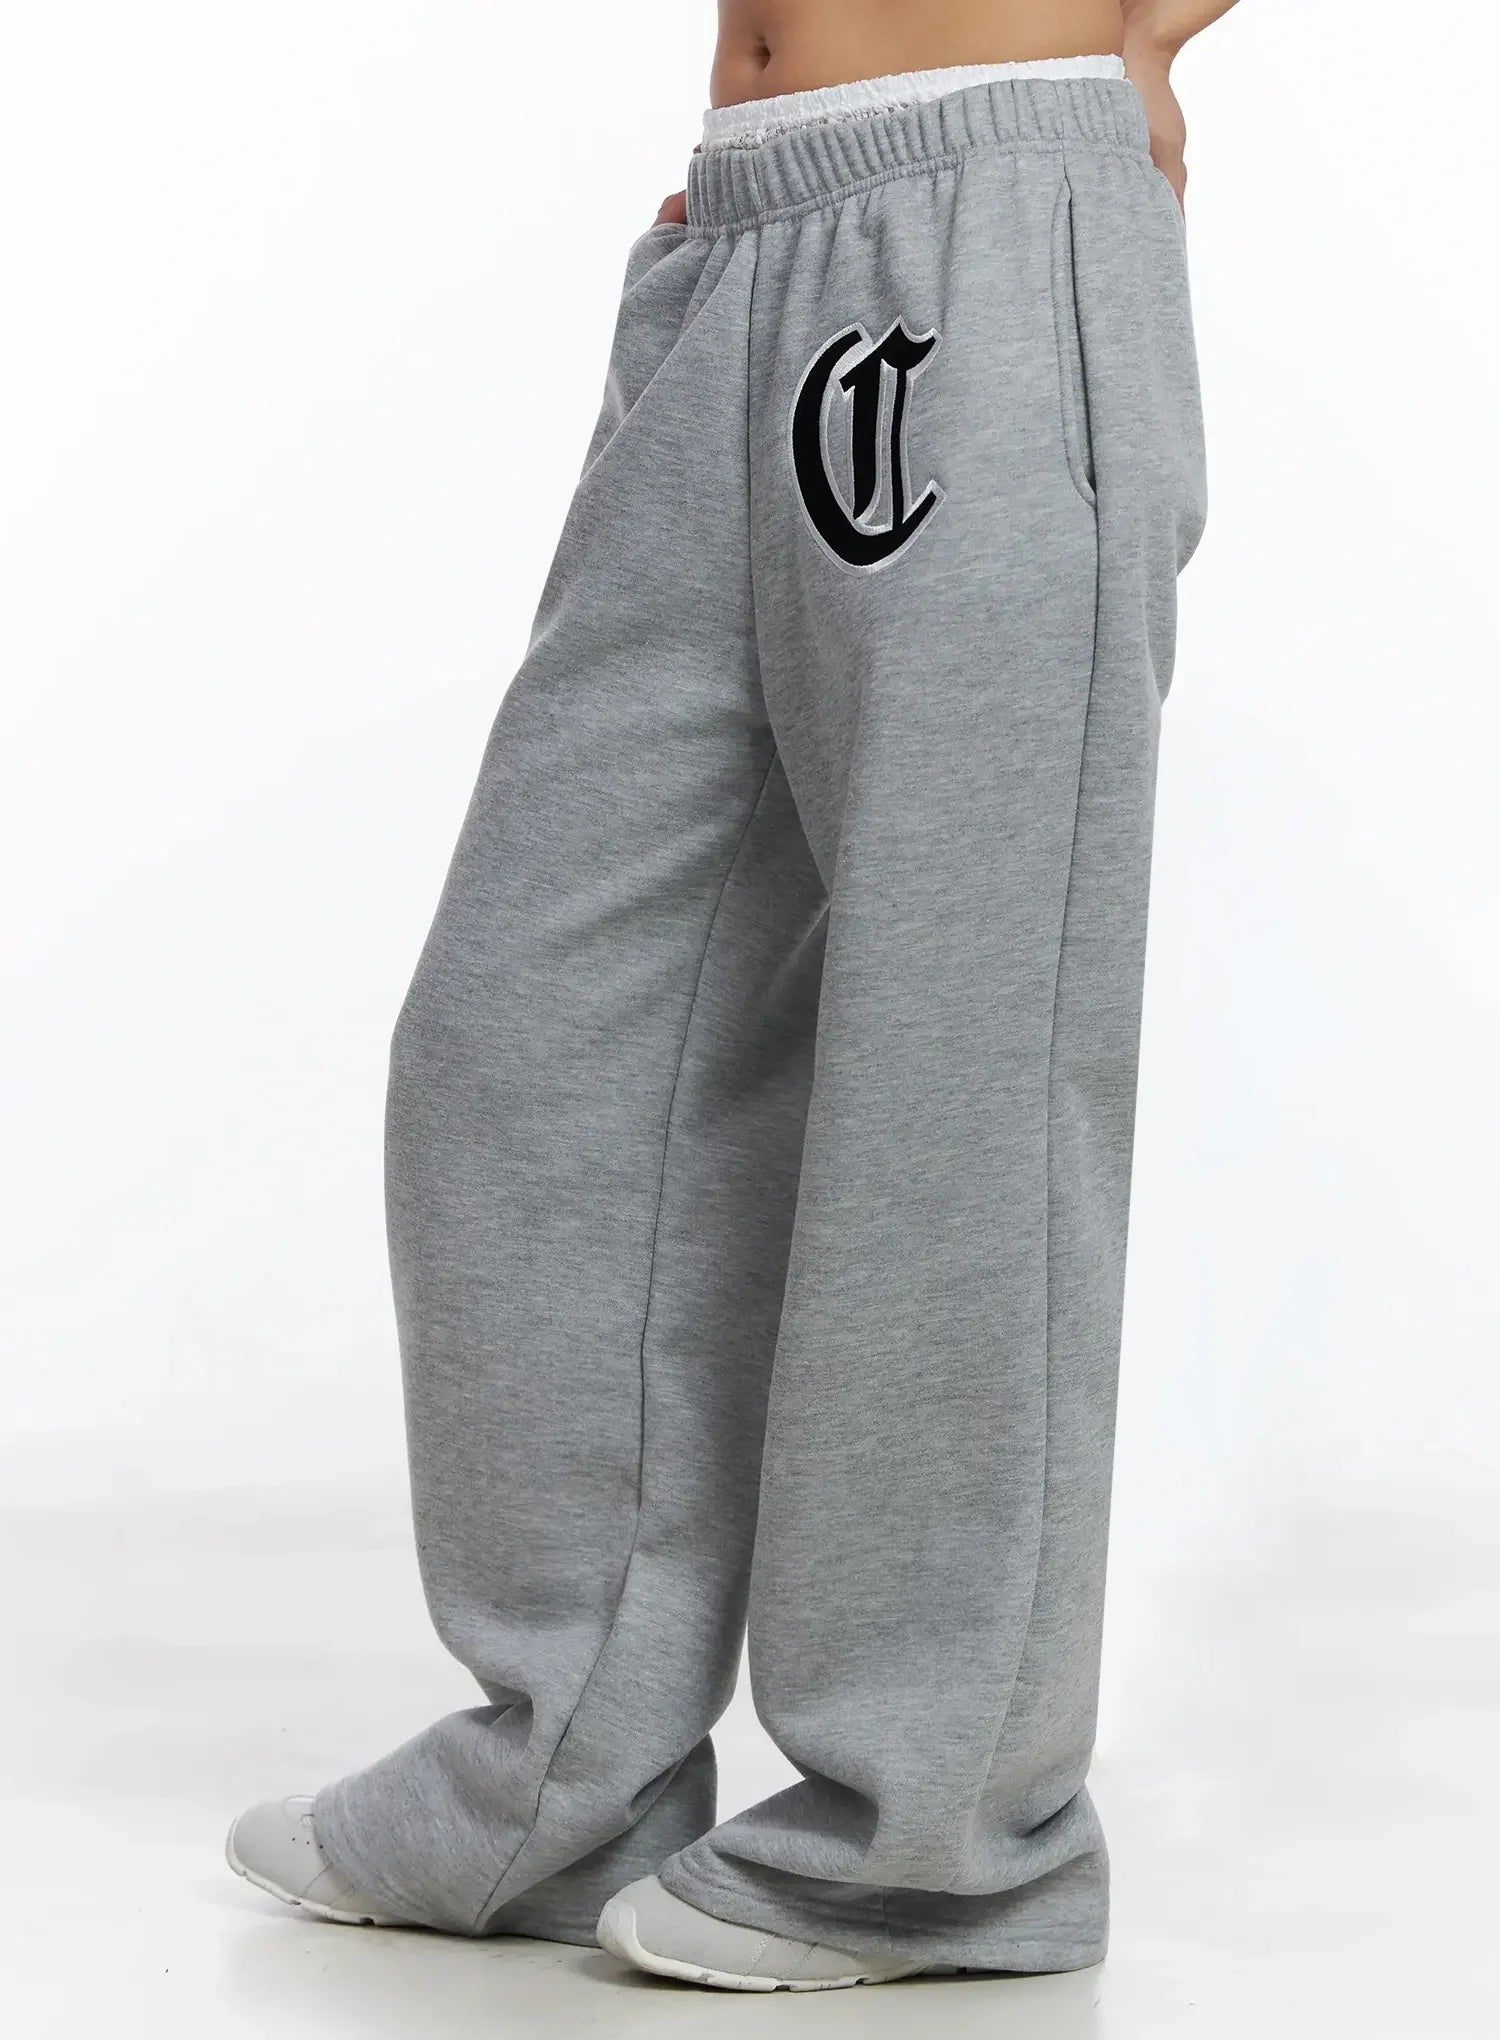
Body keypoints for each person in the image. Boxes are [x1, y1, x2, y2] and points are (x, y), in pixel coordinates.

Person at [227, 0, 1237, 1994]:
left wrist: (1143, 41)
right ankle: (561, 1774)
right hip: (747, 239)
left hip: (989, 218)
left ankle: (945, 1842)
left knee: (957, 1064)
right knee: (532, 1031)